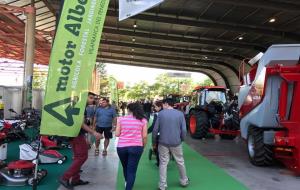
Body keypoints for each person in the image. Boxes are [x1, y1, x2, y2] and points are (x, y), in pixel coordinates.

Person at [153, 98, 189, 190]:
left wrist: (154, 142)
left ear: (166, 104)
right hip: (176, 142)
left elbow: (155, 130)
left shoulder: (160, 114)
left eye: (163, 104)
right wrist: (182, 139)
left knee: (163, 163)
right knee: (180, 161)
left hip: (163, 142)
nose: (162, 106)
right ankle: (184, 181)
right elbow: (184, 130)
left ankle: (162, 185)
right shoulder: (180, 114)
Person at [59, 121, 103, 189]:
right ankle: (65, 177)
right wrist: (94, 133)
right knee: (82, 157)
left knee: (78, 157)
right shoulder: (77, 110)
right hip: (76, 135)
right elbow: (80, 122)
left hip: (71, 134)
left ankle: (75, 179)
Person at [115, 102, 148, 190]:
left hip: (121, 147)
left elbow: (117, 134)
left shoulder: (121, 119)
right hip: (136, 147)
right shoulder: (143, 120)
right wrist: (143, 147)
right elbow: (144, 136)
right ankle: (129, 186)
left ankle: (127, 183)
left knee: (125, 167)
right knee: (132, 170)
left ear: (129, 110)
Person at [148, 100, 163, 166]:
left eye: (156, 107)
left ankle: (159, 162)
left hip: (158, 134)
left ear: (160, 107)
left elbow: (154, 126)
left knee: (157, 148)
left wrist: (146, 131)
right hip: (168, 134)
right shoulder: (168, 113)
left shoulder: (157, 114)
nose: (155, 108)